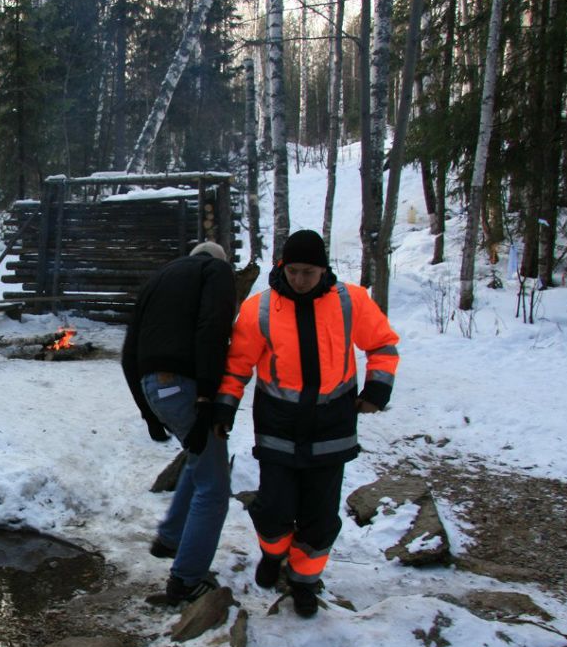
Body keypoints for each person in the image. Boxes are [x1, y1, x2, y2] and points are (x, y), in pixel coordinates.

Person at [215, 229, 399, 617]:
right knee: (274, 509)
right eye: (294, 271)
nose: (300, 280)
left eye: (309, 272)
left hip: (332, 426)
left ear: (323, 270)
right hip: (278, 425)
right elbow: (237, 365)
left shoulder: (350, 301)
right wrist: (225, 407)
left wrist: (378, 389)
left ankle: (303, 582)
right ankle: (272, 554)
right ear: (283, 266)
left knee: (319, 518)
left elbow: (382, 345)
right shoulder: (259, 309)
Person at [122, 240, 239, 604]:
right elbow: (213, 327)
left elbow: (129, 351)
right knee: (215, 488)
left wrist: (147, 411)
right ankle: (186, 582)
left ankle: (171, 539)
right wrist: (207, 396)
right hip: (187, 386)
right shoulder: (216, 271)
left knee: (198, 455)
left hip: (153, 386)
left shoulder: (158, 279)